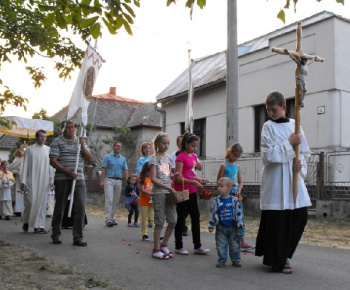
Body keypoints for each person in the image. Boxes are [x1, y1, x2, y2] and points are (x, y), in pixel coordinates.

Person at [255, 91, 312, 274]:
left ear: (283, 107)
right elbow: (268, 155)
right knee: (278, 222)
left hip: (293, 179)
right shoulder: (267, 127)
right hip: (276, 181)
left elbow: (304, 153)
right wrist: (289, 142)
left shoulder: (296, 125)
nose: (271, 113)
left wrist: (299, 165)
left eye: (274, 110)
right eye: (268, 110)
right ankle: (277, 261)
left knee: (300, 216)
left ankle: (285, 255)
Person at [49, 121, 92, 246]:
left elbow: (89, 157)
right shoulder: (57, 141)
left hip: (78, 178)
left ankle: (78, 237)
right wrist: (67, 171)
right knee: (60, 206)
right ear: (63, 129)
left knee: (80, 206)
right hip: (62, 178)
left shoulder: (80, 141)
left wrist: (83, 144)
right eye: (68, 128)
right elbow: (53, 161)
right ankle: (55, 234)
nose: (71, 130)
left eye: (73, 127)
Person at [173, 132, 209, 255]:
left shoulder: (193, 156)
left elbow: (190, 173)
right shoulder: (180, 157)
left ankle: (197, 245)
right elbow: (178, 178)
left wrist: (198, 180)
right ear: (186, 144)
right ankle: (179, 245)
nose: (195, 148)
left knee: (195, 216)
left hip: (192, 190)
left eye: (196, 146)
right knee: (181, 217)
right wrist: (194, 182)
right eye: (193, 146)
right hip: (182, 189)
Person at [217, 143, 254, 250]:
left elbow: (241, 181)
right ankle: (223, 240)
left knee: (239, 218)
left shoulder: (237, 166)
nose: (236, 158)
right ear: (231, 152)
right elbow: (218, 181)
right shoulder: (223, 165)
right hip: (226, 196)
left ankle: (242, 241)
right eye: (235, 155)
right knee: (226, 217)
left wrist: (239, 189)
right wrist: (228, 182)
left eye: (238, 156)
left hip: (236, 195)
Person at [149, 132, 177, 259]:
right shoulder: (154, 158)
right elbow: (154, 179)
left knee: (173, 220)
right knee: (159, 221)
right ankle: (156, 249)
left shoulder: (169, 158)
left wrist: (174, 176)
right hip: (159, 193)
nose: (166, 145)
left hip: (168, 192)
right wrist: (168, 187)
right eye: (164, 143)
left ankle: (163, 244)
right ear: (157, 144)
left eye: (168, 143)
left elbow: (167, 175)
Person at [21, 130, 54, 233]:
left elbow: (51, 167)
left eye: (45, 137)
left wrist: (51, 180)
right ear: (37, 137)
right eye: (41, 136)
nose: (43, 138)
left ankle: (39, 225)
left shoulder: (48, 150)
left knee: (42, 203)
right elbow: (25, 165)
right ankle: (26, 221)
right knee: (30, 202)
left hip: (44, 180)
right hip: (31, 180)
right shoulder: (30, 150)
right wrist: (23, 181)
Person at [208, 177, 244, 268]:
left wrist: (240, 225)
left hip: (233, 226)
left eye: (221, 186)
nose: (218, 188)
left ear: (229, 188)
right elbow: (213, 213)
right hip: (221, 227)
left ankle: (236, 260)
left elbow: (239, 213)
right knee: (220, 244)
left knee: (235, 244)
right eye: (218, 186)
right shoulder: (216, 201)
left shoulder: (234, 200)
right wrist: (211, 225)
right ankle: (222, 260)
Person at [100, 141, 129, 227]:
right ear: (113, 147)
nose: (118, 148)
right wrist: (101, 181)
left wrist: (128, 181)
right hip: (109, 179)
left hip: (118, 180)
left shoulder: (122, 159)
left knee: (116, 201)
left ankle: (112, 218)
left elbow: (125, 170)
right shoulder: (107, 157)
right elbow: (103, 170)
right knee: (109, 199)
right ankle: (108, 219)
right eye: (117, 146)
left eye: (120, 146)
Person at [135, 142, 153, 228]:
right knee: (145, 197)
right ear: (142, 150)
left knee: (152, 199)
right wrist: (141, 178)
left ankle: (151, 219)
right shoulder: (141, 159)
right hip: (144, 180)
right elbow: (139, 170)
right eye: (145, 148)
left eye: (149, 148)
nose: (147, 150)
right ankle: (148, 219)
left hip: (152, 180)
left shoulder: (153, 158)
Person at [138, 161, 154, 241]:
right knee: (144, 219)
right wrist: (151, 194)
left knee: (153, 218)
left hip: (152, 202)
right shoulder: (142, 179)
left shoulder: (153, 178)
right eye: (149, 171)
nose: (150, 173)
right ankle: (144, 234)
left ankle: (156, 233)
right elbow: (142, 190)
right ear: (146, 171)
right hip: (144, 202)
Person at [8, 150, 24, 216]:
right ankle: (18, 210)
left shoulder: (27, 159)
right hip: (18, 179)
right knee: (18, 194)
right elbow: (11, 167)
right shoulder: (17, 160)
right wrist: (18, 172)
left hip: (25, 178)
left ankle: (24, 209)